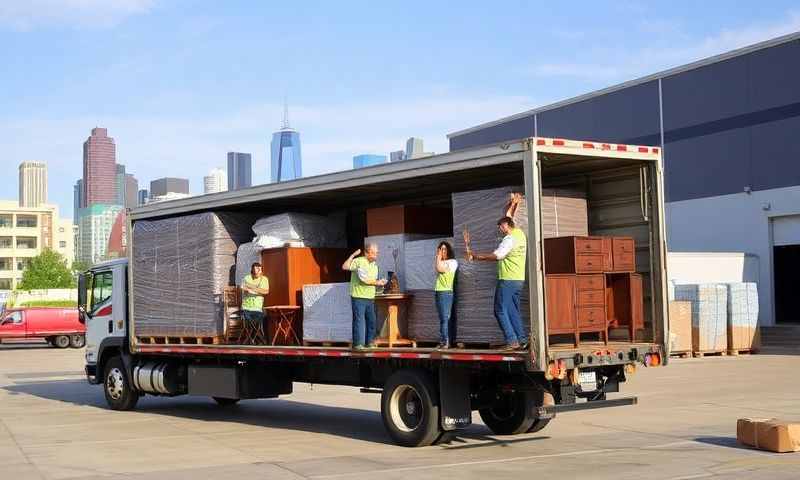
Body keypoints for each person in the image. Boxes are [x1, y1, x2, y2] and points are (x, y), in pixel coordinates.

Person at [465, 195, 528, 351]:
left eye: (501, 226)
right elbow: (509, 215)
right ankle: (522, 339)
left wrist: (476, 256)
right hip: (518, 280)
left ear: (507, 226)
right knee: (513, 310)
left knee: (499, 309)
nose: (500, 229)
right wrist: (513, 203)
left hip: (507, 279)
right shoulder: (519, 233)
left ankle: (512, 340)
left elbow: (497, 256)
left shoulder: (509, 240)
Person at [342, 244, 387, 350]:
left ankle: (370, 342)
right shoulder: (360, 261)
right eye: (374, 252)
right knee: (359, 321)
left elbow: (372, 280)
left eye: (377, 252)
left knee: (372, 320)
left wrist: (380, 283)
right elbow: (363, 279)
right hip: (358, 296)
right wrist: (353, 255)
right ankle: (358, 344)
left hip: (370, 297)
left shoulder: (375, 265)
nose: (377, 254)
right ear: (367, 253)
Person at [434, 241, 458, 349]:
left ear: (448, 250)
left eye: (444, 249)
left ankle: (445, 341)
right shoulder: (442, 262)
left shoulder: (452, 262)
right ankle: (445, 340)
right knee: (443, 318)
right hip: (439, 291)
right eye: (440, 249)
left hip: (445, 292)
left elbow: (439, 268)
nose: (442, 251)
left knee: (445, 318)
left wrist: (438, 257)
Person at [240, 262, 270, 334]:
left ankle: (260, 338)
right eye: (256, 270)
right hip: (246, 307)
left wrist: (252, 287)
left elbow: (266, 291)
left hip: (258, 308)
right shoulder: (247, 278)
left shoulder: (264, 279)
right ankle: (253, 338)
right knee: (249, 322)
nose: (258, 272)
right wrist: (258, 290)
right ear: (252, 270)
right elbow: (243, 288)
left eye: (259, 270)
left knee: (264, 318)